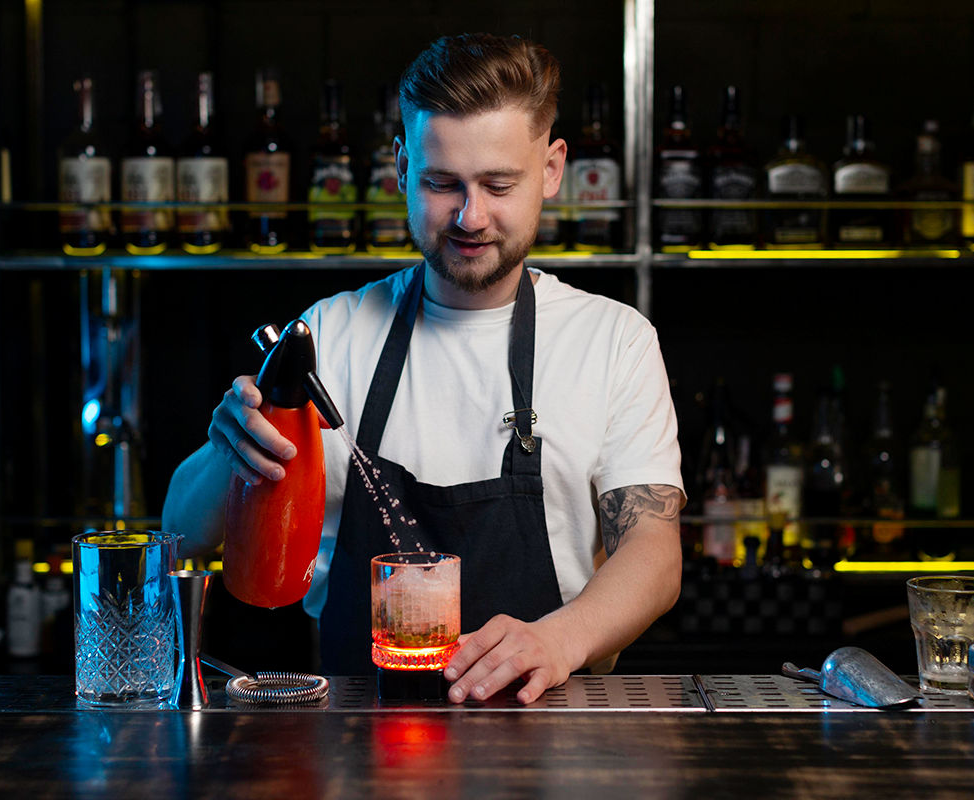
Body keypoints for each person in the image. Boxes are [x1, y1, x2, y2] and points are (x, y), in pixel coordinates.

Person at [162, 32, 685, 705]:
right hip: (357, 725)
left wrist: (559, 640)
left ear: (553, 168)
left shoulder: (613, 341)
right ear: (402, 168)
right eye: (443, 183)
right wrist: (226, 450)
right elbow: (183, 534)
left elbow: (652, 552)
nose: (471, 216)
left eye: (499, 184)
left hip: (553, 725)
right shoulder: (332, 336)